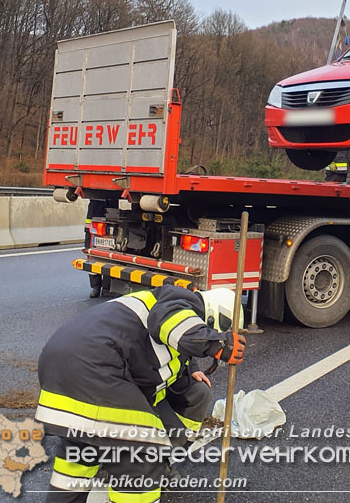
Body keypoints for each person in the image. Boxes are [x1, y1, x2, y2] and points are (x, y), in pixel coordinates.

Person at [36, 286, 246, 501]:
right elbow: (170, 322)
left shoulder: (153, 308)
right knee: (142, 459)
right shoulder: (183, 302)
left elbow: (162, 340)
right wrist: (215, 344)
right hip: (97, 372)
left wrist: (191, 368)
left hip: (59, 372)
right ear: (217, 319)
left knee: (77, 461)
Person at [85, 198, 111, 298]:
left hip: (109, 208)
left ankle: (106, 287)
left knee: (110, 255)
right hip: (95, 215)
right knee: (92, 255)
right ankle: (97, 286)